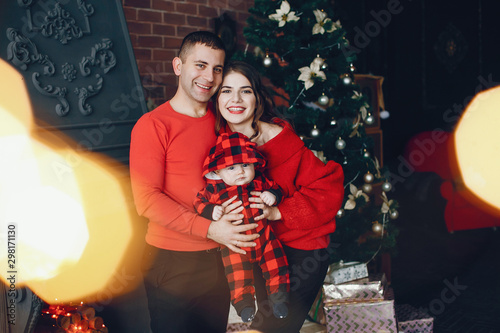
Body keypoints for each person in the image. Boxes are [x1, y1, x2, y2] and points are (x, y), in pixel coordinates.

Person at [129, 32, 260, 333]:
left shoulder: (224, 119)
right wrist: (211, 229)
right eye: (200, 65)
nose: (209, 77)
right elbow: (147, 199)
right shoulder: (153, 125)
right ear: (178, 66)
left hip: (222, 258)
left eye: (217, 69)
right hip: (173, 262)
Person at [214, 60, 345, 332]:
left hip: (301, 251)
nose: (235, 99)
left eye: (245, 90)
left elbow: (328, 188)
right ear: (216, 98)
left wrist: (278, 211)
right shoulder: (218, 143)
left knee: (274, 329)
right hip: (257, 250)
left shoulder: (280, 139)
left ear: (257, 97)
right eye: (226, 91)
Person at [194, 131, 290, 323]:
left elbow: (277, 188)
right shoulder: (215, 188)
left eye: (245, 165)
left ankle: (279, 299)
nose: (240, 172)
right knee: (238, 276)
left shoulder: (258, 182)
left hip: (264, 238)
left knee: (277, 267)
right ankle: (244, 305)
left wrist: (272, 195)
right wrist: (211, 210)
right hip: (234, 244)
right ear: (218, 172)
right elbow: (199, 202)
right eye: (231, 168)